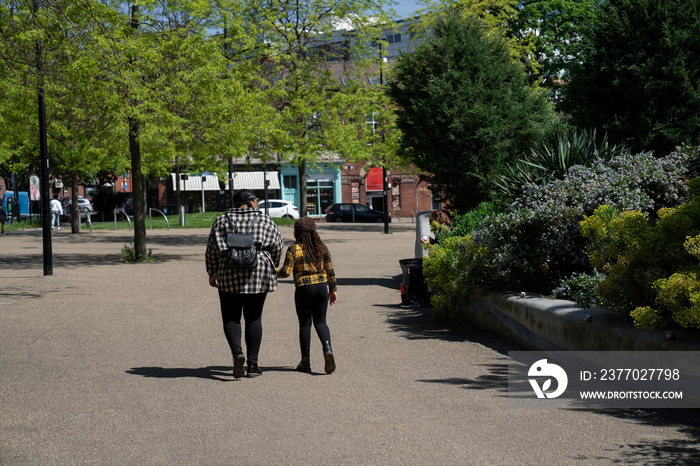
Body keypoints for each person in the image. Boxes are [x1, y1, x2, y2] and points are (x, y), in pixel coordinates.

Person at [205, 189, 284, 378]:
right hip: (258, 274)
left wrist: (212, 273)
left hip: (228, 272)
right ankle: (253, 366)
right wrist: (272, 264)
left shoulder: (222, 220)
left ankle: (237, 353)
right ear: (252, 202)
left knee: (231, 317)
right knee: (254, 318)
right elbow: (278, 246)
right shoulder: (265, 220)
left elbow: (212, 250)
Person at [277, 217, 338, 374]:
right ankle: (327, 348)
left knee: (305, 324)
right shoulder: (322, 247)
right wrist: (333, 290)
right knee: (321, 322)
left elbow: (285, 272)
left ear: (297, 232)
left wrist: (271, 270)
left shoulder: (294, 248)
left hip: (304, 289)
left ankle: (305, 362)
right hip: (321, 288)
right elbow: (330, 270)